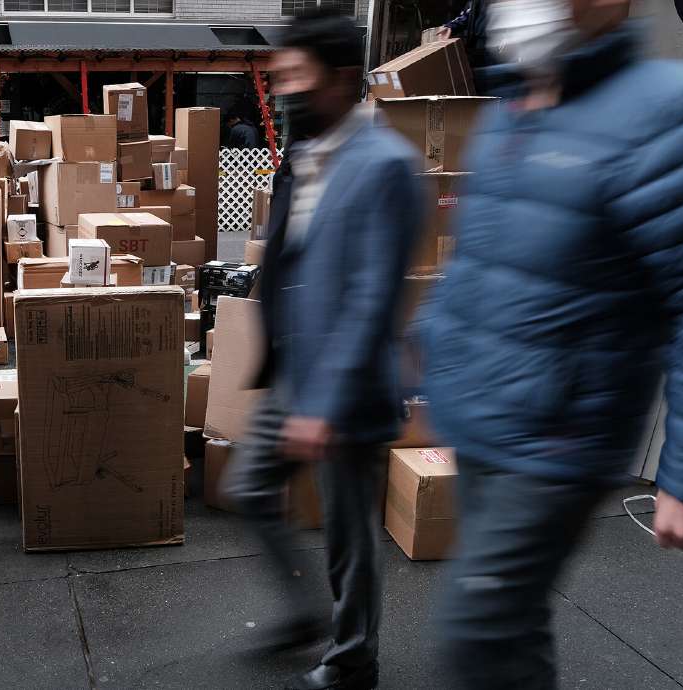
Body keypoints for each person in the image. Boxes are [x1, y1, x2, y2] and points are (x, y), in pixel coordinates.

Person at [424, 1, 683, 687]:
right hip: (485, 420)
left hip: (563, 440)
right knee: (507, 627)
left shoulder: (671, 114)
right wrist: (428, 342)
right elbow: (483, 261)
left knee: (479, 630)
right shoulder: (513, 105)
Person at [224, 9, 421, 690]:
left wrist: (327, 404)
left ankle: (353, 658)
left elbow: (372, 295)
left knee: (349, 536)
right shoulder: (306, 155)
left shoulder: (386, 165)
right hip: (296, 373)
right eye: (280, 77)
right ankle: (308, 616)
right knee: (249, 487)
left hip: (347, 386)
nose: (285, 90)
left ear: (342, 78)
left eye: (297, 76)